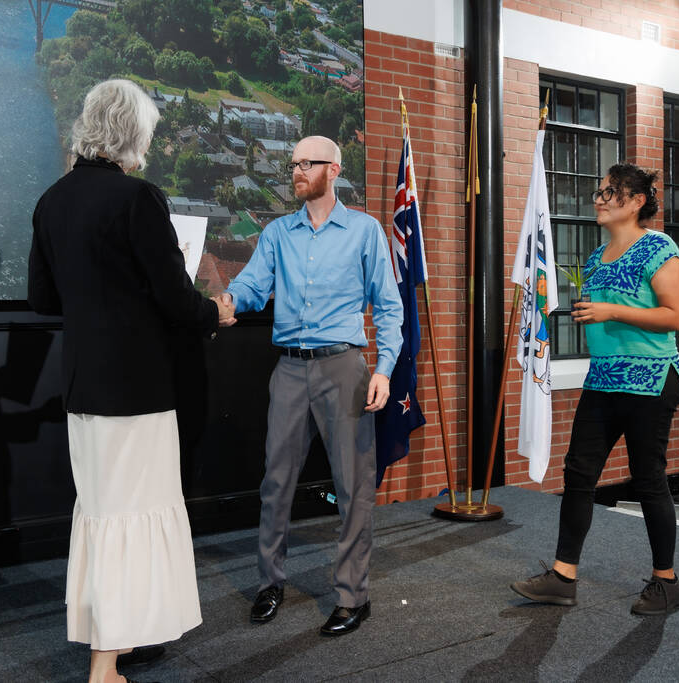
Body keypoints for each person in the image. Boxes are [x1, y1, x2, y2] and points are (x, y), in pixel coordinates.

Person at [28, 79, 235, 683]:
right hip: (137, 391)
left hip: (83, 390)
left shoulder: (52, 200)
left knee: (102, 515)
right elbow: (176, 299)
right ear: (133, 135)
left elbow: (43, 299)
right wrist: (214, 313)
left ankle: (121, 640)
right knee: (132, 517)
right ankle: (105, 665)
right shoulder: (140, 198)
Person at [221, 135, 403, 636]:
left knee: (353, 485)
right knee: (276, 482)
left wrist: (384, 369)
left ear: (334, 170)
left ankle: (352, 596)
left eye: (308, 163)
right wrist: (228, 301)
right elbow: (252, 284)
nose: (297, 171)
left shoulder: (364, 231)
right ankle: (270, 583)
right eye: (294, 164)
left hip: (343, 367)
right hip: (289, 370)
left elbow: (389, 306)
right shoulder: (278, 233)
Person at [510, 163, 679, 616]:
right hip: (605, 377)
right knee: (578, 473)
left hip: (651, 378)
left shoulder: (658, 247)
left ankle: (667, 582)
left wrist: (611, 311)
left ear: (637, 201)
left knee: (648, 478)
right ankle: (563, 576)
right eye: (600, 191)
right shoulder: (595, 257)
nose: (600, 199)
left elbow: (676, 316)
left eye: (610, 192)